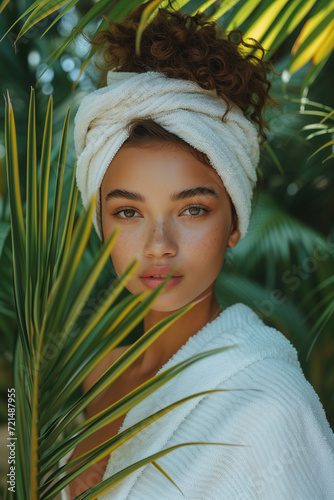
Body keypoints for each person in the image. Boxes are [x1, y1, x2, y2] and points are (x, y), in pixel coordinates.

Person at [61, 3, 334, 499]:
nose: (159, 246)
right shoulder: (94, 374)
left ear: (234, 223)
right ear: (100, 224)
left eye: (192, 210)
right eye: (128, 213)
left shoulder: (267, 404)